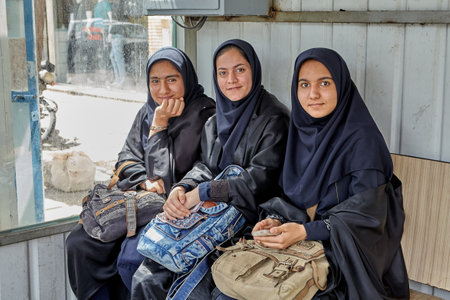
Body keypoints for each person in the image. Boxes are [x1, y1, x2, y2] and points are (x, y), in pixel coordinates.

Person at [129, 39, 290, 299]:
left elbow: (258, 181)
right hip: (209, 218)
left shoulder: (274, 120)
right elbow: (205, 165)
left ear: (254, 70)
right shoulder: (216, 121)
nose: (231, 80)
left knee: (191, 291)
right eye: (222, 73)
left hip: (249, 222)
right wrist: (182, 188)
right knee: (146, 278)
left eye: (240, 70)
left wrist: (204, 192)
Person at [251, 48, 410, 299]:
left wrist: (305, 232)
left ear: (342, 86)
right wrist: (276, 221)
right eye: (304, 84)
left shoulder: (362, 142)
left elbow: (366, 218)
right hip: (302, 253)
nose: (313, 94)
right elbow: (292, 198)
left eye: (324, 83)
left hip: (349, 265)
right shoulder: (299, 133)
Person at [66, 47, 216, 300]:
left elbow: (171, 177)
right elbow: (126, 158)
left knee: (132, 258)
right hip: (140, 204)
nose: (163, 90)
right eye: (154, 81)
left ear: (186, 79)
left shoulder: (205, 115)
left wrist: (160, 126)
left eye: (172, 79)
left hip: (179, 208)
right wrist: (143, 180)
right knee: (79, 244)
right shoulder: (147, 112)